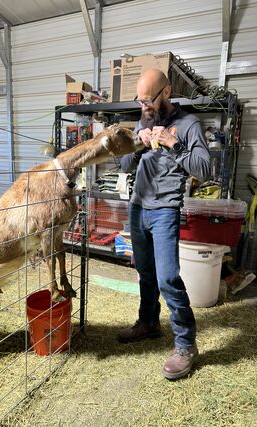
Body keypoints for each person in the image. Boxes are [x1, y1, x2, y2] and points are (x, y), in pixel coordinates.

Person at [118, 68, 211, 380]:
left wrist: (175, 144)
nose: (143, 106)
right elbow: (124, 164)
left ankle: (185, 344)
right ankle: (148, 323)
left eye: (148, 100)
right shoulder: (143, 121)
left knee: (168, 278)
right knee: (144, 271)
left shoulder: (188, 124)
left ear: (167, 93)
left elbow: (205, 169)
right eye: (140, 100)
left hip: (164, 211)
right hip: (137, 207)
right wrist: (136, 143)